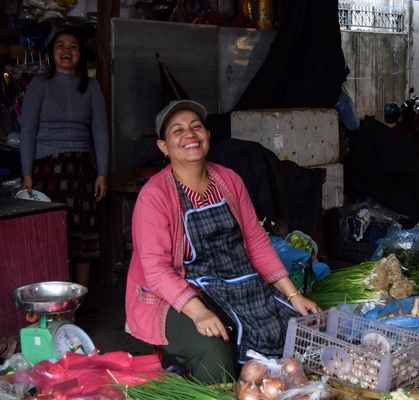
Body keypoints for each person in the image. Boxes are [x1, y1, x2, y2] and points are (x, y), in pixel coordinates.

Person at [124, 100, 320, 383]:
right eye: (178, 130)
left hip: (233, 284)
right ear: (164, 147)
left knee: (293, 330)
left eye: (196, 127)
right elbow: (157, 271)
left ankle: (270, 397)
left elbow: (256, 242)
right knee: (216, 356)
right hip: (174, 294)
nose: (190, 134)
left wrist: (293, 295)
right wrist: (198, 312)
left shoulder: (228, 180)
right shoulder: (155, 195)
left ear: (207, 135)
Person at [19, 27, 109, 290]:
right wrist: (27, 173)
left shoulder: (91, 87)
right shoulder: (39, 85)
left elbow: (100, 131)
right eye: (61, 45)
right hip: (47, 168)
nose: (66, 51)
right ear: (52, 53)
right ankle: (54, 294)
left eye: (73, 46)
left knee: (84, 233)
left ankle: (78, 298)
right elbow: (27, 131)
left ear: (80, 54)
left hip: (82, 170)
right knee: (52, 233)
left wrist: (102, 173)